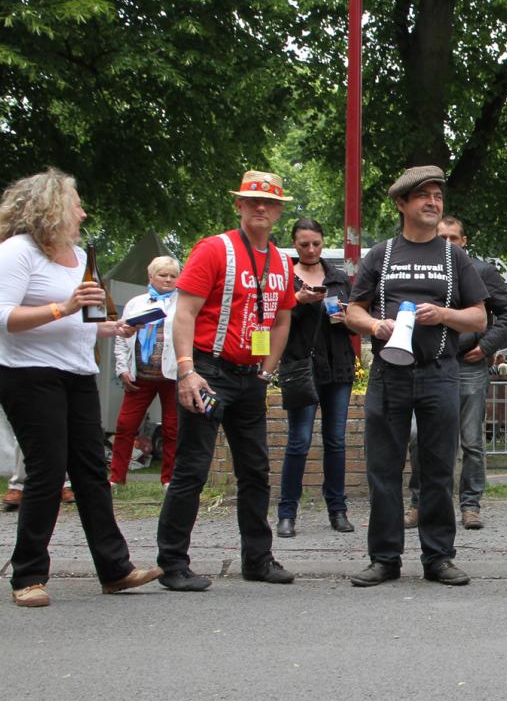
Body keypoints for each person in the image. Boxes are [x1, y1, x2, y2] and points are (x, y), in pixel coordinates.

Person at [0, 168, 161, 606]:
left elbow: (81, 323)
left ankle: (115, 569)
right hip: (27, 375)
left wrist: (111, 329)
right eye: (75, 203)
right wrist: (62, 306)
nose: (82, 211)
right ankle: (27, 577)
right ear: (50, 208)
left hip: (76, 373)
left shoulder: (79, 256)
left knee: (89, 472)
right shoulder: (15, 252)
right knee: (47, 471)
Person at [345, 166, 487, 588]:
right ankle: (385, 558)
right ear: (402, 204)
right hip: (389, 375)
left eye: (437, 196)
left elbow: (479, 315)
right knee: (383, 469)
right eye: (423, 196)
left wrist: (443, 314)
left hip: (441, 373)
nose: (433, 202)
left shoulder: (454, 256)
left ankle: (438, 557)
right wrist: (375, 327)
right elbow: (353, 310)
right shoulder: (380, 254)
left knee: (440, 467)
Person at [156, 170, 298, 592]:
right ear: (238, 205)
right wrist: (187, 370)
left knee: (255, 470)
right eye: (252, 200)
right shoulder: (213, 250)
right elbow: (184, 313)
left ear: (278, 211)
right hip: (210, 371)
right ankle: (172, 563)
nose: (260, 208)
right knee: (192, 470)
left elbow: (283, 317)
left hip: (249, 377)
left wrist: (267, 368)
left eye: (269, 203)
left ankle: (257, 558)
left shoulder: (280, 260)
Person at [405, 215, 507, 531]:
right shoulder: (423, 270)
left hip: (469, 366)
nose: (447, 242)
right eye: (442, 236)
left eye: (453, 237)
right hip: (430, 365)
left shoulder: (481, 272)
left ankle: (470, 505)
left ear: (464, 241)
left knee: (471, 441)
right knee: (419, 437)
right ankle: (419, 503)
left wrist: (486, 346)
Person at [275, 218, 357, 538]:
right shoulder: (285, 278)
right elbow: (273, 320)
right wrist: (298, 301)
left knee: (335, 442)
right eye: (303, 244)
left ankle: (338, 510)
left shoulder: (337, 277)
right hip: (300, 367)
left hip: (338, 368)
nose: (310, 249)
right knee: (299, 441)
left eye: (316, 244)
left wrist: (346, 316)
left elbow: (355, 324)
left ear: (324, 242)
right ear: (294, 244)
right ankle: (286, 514)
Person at [109, 256, 181, 488]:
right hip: (140, 375)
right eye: (163, 275)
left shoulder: (183, 303)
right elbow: (122, 337)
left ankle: (168, 479)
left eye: (173, 275)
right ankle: (116, 477)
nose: (168, 279)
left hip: (171, 375)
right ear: (150, 277)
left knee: (172, 427)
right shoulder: (135, 303)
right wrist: (122, 369)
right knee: (125, 425)